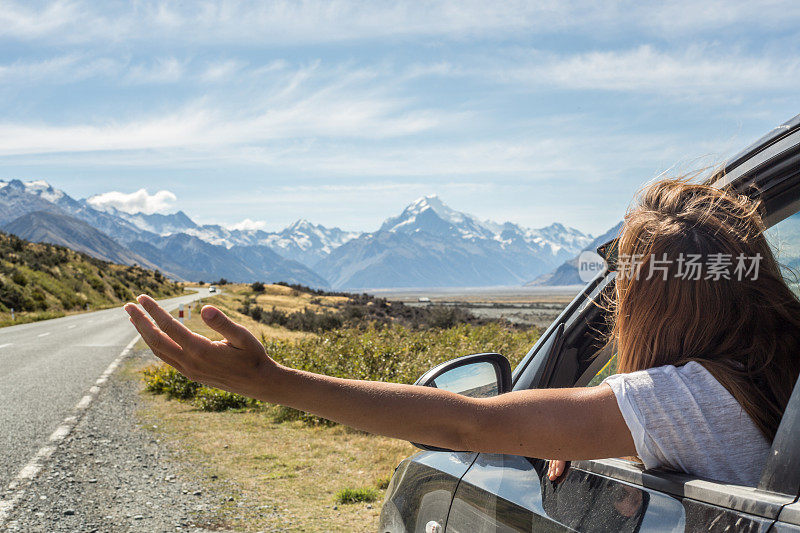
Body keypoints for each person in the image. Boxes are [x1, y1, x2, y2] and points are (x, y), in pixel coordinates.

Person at [125, 178, 800, 487]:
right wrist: (605, 443)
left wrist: (271, 380)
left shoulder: (679, 400)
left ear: (656, 306)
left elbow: (470, 425)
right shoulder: (773, 378)